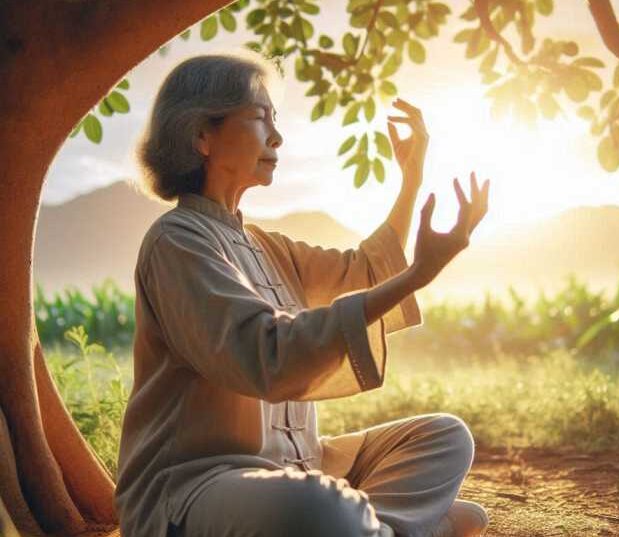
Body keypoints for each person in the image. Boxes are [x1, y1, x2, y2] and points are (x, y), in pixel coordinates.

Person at [114, 51, 491, 537]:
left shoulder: (265, 246)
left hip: (301, 468)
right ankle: (385, 526)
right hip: (195, 489)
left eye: (276, 120)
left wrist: (411, 180)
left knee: (444, 437)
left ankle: (371, 527)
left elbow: (363, 271)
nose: (277, 136)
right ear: (201, 136)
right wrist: (416, 275)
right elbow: (267, 352)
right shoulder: (176, 241)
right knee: (318, 507)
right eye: (259, 118)